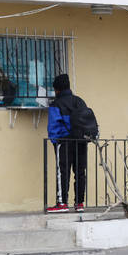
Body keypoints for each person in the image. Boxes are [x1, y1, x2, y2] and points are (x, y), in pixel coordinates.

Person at [46, 73, 89, 213]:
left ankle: (62, 203)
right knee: (80, 172)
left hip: (63, 142)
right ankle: (80, 203)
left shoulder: (56, 104)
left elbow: (53, 127)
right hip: (81, 141)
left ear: (57, 89)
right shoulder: (80, 101)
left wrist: (55, 142)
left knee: (62, 172)